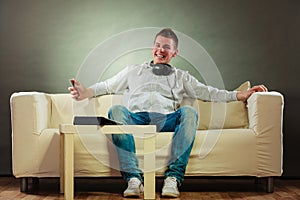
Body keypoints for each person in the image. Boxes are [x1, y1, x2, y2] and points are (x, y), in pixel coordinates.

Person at [68, 28, 267, 198]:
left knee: (188, 111)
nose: (160, 50)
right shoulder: (133, 71)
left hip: (166, 119)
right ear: (153, 48)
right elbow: (106, 86)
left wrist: (240, 94)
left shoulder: (181, 77)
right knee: (116, 110)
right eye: (158, 45)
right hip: (136, 118)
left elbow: (208, 92)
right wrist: (85, 92)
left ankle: (173, 178)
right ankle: (134, 179)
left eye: (166, 47)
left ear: (174, 53)